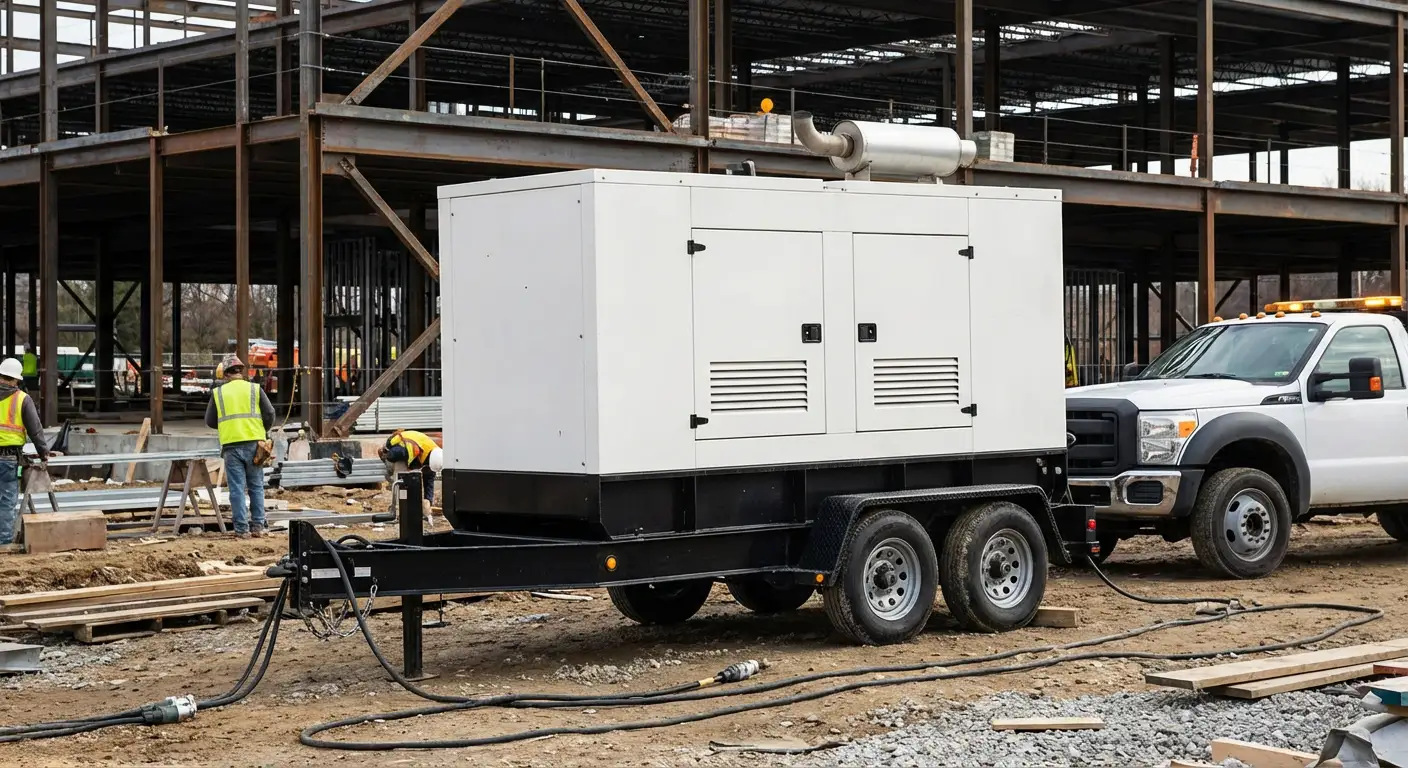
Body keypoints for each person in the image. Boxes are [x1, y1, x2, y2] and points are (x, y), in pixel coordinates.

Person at [205, 355, 275, 539]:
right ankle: (258, 526)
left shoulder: (218, 393)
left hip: (231, 446)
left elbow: (210, 421)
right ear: (240, 371)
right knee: (256, 486)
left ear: (226, 374)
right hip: (255, 444)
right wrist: (262, 431)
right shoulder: (254, 389)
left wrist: (229, 426)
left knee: (236, 488)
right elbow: (270, 413)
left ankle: (241, 529)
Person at [0, 357, 48, 548]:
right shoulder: (21, 399)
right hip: (8, 458)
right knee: (6, 500)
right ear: (16, 379)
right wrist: (44, 452)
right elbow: (35, 429)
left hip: (8, 457)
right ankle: (3, 542)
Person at [378, 429, 442, 525]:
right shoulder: (404, 451)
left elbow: (429, 481)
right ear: (428, 462)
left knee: (417, 477)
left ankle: (411, 507)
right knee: (401, 478)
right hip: (393, 452)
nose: (427, 470)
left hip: (414, 450)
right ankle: (399, 512)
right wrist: (386, 455)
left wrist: (428, 500)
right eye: (427, 467)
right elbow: (392, 455)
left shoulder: (435, 455)